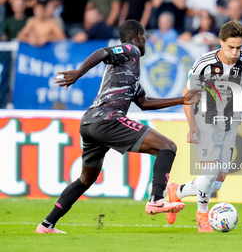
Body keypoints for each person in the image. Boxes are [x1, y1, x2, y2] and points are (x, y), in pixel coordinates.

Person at [35, 19, 202, 234]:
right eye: (145, 40)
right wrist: (78, 73)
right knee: (167, 146)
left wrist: (181, 100)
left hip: (90, 122)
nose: (144, 45)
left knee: (86, 179)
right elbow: (102, 52)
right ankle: (157, 199)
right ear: (139, 37)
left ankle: (47, 225)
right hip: (107, 119)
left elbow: (144, 103)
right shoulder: (130, 50)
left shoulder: (129, 72)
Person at [166, 20, 242, 232]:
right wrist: (191, 125)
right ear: (221, 42)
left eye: (239, 47)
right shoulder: (204, 63)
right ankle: (203, 216)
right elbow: (188, 95)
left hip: (230, 122)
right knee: (211, 171)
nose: (235, 52)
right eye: (230, 47)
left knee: (218, 179)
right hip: (204, 117)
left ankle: (178, 190)